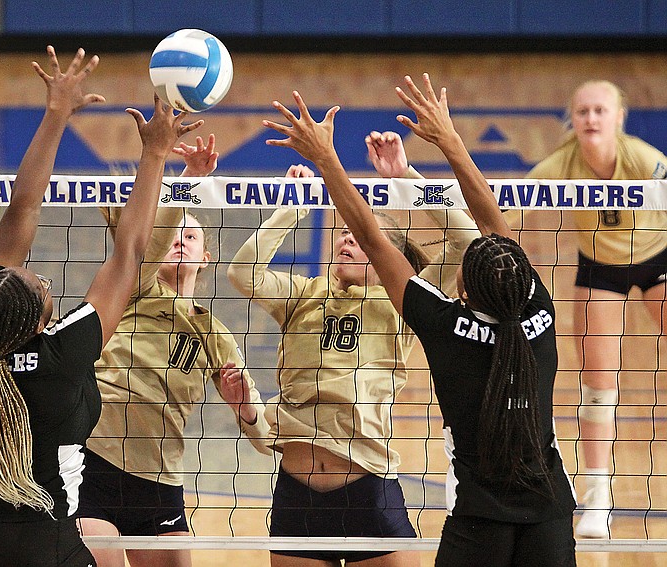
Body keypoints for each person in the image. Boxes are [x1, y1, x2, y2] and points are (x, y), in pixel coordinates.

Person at [262, 75, 576, 566]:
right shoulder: (538, 309)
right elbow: (487, 223)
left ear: (462, 291)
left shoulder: (446, 328)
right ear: (521, 275)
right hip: (551, 516)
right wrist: (446, 143)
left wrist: (327, 159)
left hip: (480, 522)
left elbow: (369, 233)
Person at [0, 46, 201, 567]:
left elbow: (22, 210)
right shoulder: (58, 352)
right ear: (39, 319)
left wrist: (56, 114)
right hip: (45, 546)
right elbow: (128, 251)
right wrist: (154, 155)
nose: (34, 273)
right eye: (34, 282)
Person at [226, 134, 479, 566]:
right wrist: (293, 208)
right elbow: (242, 273)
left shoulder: (406, 302)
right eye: (344, 233)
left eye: (362, 238)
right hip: (296, 497)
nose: (347, 240)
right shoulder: (304, 295)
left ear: (387, 256)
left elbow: (467, 243)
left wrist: (406, 179)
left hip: (369, 492)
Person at [76, 133, 273, 567]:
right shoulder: (131, 289)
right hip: (95, 466)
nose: (182, 239)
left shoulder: (212, 332)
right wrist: (189, 181)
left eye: (193, 236)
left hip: (160, 482)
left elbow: (265, 438)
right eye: (176, 232)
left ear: (207, 258)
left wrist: (246, 409)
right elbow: (148, 239)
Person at [527, 80, 667, 538]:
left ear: (619, 117)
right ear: (573, 119)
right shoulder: (562, 163)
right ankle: (597, 497)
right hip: (599, 268)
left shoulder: (644, 160)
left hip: (656, 259)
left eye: (600, 111)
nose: (591, 119)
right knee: (598, 388)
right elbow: (507, 204)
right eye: (583, 111)